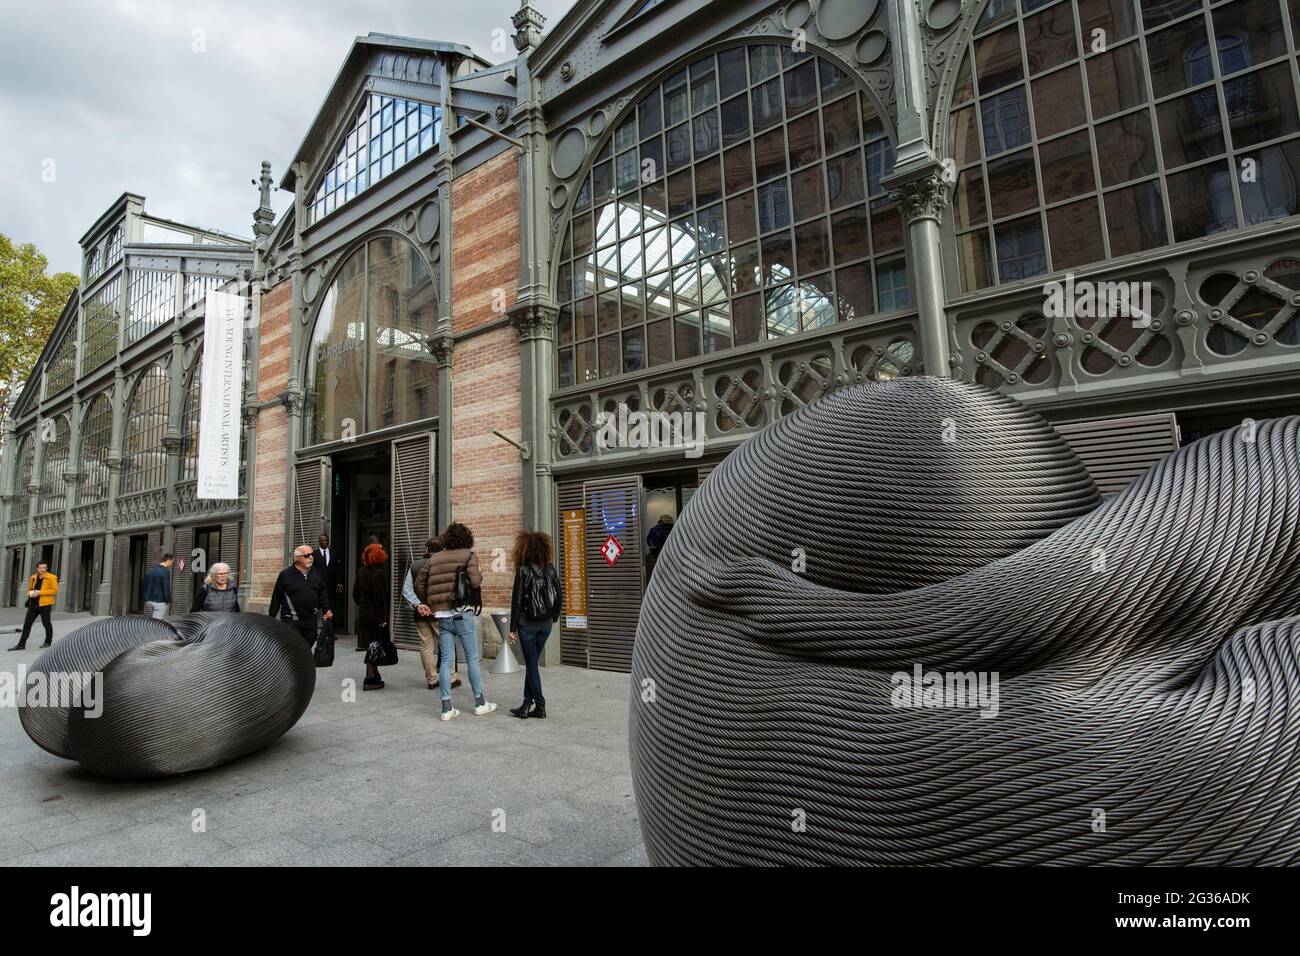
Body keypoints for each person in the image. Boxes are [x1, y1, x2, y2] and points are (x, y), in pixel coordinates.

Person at [415, 521, 495, 720]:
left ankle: (446, 707)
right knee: (472, 659)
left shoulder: (435, 558)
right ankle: (479, 702)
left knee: (446, 660)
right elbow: (475, 582)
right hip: (462, 613)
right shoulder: (469, 555)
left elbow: (419, 583)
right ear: (467, 538)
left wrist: (428, 601)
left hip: (442, 616)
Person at [507, 531, 563, 719]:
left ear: (523, 550)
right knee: (532, 664)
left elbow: (516, 601)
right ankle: (526, 705)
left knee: (531, 665)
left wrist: (512, 629)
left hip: (527, 625)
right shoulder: (550, 568)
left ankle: (540, 704)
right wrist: (554, 617)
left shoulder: (522, 570)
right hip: (546, 624)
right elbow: (560, 594)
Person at [401, 536, 461, 692]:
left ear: (426, 549)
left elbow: (406, 590)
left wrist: (419, 605)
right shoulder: (444, 564)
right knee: (446, 644)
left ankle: (432, 679)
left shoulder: (414, 566)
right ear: (442, 550)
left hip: (420, 614)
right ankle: (452, 677)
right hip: (440, 612)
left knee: (425, 646)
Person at [268, 545, 333, 645]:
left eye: (312, 554)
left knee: (308, 645)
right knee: (295, 647)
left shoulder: (317, 574)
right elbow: (277, 597)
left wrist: (327, 609)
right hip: (291, 619)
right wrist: (271, 618)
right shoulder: (285, 575)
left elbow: (323, 593)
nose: (311, 557)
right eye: (307, 555)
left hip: (311, 619)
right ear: (297, 558)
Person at [354, 542, 390, 691]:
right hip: (375, 613)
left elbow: (355, 595)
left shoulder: (361, 571)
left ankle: (375, 675)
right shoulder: (379, 573)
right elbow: (380, 599)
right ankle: (369, 678)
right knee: (374, 644)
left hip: (363, 611)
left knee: (371, 643)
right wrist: (383, 619)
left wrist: (363, 604)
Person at [8, 561, 58, 650]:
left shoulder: (51, 577)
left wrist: (39, 593)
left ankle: (48, 641)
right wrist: (30, 594)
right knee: (27, 624)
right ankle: (21, 644)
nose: (42, 569)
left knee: (46, 623)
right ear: (37, 568)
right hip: (33, 605)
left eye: (44, 568)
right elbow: (30, 589)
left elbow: (54, 590)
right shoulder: (33, 577)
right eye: (40, 568)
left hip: (45, 605)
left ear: (46, 568)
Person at [311, 533, 344, 601]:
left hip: (331, 586)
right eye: (323, 540)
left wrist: (339, 582)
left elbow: (336, 568)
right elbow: (311, 569)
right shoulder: (314, 554)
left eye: (326, 540)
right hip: (318, 585)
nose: (324, 542)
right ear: (319, 542)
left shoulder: (333, 553)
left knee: (330, 606)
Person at [143, 554, 174, 619]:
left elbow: (145, 585)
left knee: (154, 620)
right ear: (168, 560)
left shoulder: (151, 571)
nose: (172, 564)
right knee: (157, 623)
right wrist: (168, 600)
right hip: (159, 602)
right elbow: (166, 588)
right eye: (172, 562)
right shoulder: (165, 572)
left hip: (149, 601)